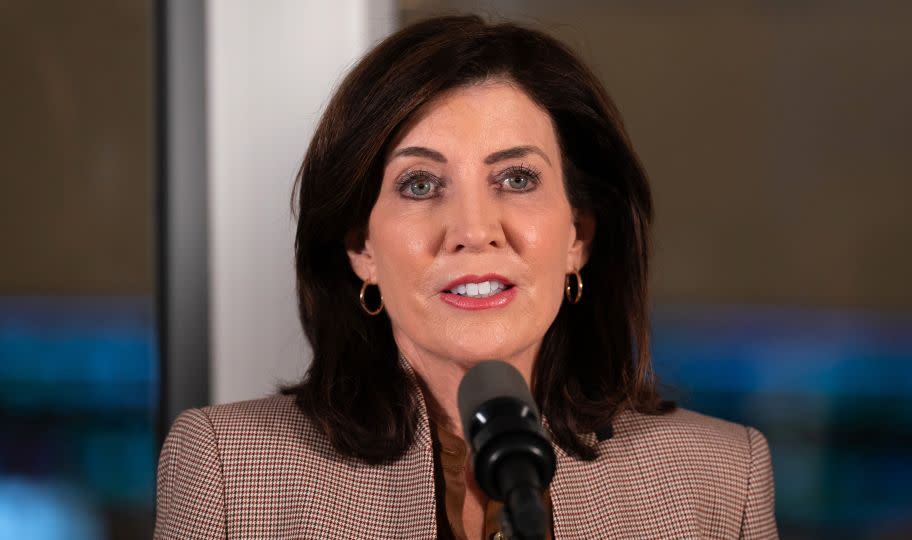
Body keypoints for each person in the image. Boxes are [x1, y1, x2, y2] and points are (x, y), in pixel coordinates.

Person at [154, 14, 778, 539]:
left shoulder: (719, 481)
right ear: (361, 249)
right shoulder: (230, 472)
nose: (474, 229)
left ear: (578, 238)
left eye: (516, 178)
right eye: (420, 184)